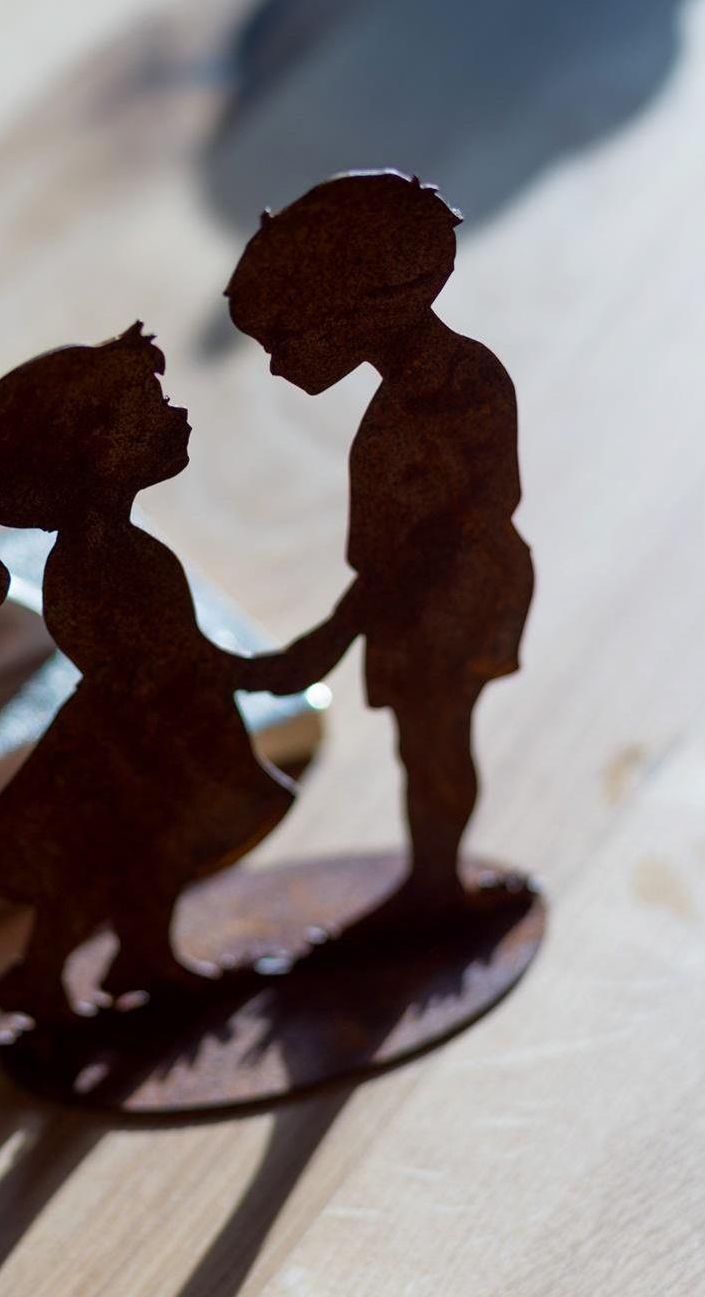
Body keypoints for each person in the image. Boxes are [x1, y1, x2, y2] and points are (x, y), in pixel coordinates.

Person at [0, 324, 315, 1022]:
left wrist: (247, 672)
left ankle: (136, 957)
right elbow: (164, 659)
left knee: (145, 859)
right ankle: (45, 976)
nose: (176, 413)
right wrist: (261, 671)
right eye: (151, 405)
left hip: (155, 731)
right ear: (94, 448)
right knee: (111, 866)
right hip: (133, 745)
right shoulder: (99, 563)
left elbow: (174, 652)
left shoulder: (120, 551)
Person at [225, 171, 535, 909]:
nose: (278, 363)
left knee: (435, 743)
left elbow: (448, 531)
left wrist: (333, 636)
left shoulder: (452, 386)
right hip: (411, 604)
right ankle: (432, 881)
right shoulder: (409, 394)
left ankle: (436, 889)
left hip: (454, 600)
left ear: (356, 302)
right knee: (424, 744)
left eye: (284, 339)